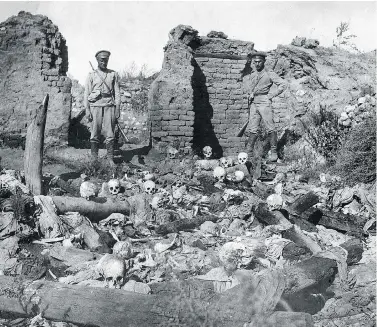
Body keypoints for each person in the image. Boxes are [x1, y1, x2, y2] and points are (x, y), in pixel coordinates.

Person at [243, 52, 287, 162]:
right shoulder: (252, 75)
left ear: (264, 62)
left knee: (270, 127)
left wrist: (271, 95)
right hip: (254, 102)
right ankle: (249, 152)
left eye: (259, 62)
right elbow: (250, 88)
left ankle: (274, 152)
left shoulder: (269, 73)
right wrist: (250, 94)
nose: (257, 64)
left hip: (264, 101)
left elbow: (283, 84)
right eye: (255, 62)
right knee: (253, 128)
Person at [84, 50, 121, 166]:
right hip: (95, 106)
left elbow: (117, 92)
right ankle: (94, 159)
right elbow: (86, 93)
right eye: (102, 60)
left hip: (109, 105)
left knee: (110, 133)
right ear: (97, 61)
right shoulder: (91, 75)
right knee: (95, 133)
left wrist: (118, 108)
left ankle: (110, 159)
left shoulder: (113, 74)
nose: (104, 63)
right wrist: (87, 109)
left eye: (106, 60)